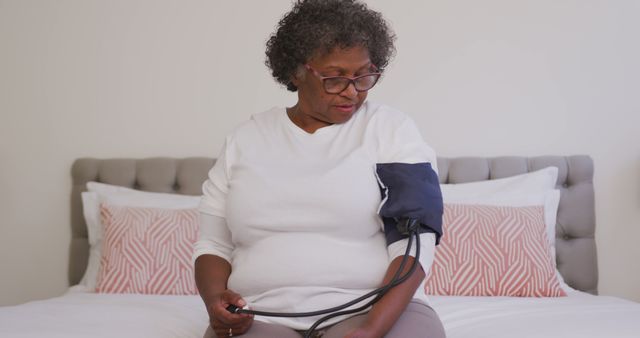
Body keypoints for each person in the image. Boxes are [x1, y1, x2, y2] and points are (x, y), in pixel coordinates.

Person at [193, 1, 446, 337]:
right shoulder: (245, 140)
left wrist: (372, 328)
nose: (352, 91)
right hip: (262, 314)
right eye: (335, 78)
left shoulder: (390, 130)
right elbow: (213, 245)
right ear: (296, 71)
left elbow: (415, 242)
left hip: (374, 307)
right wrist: (215, 302)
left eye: (364, 76)